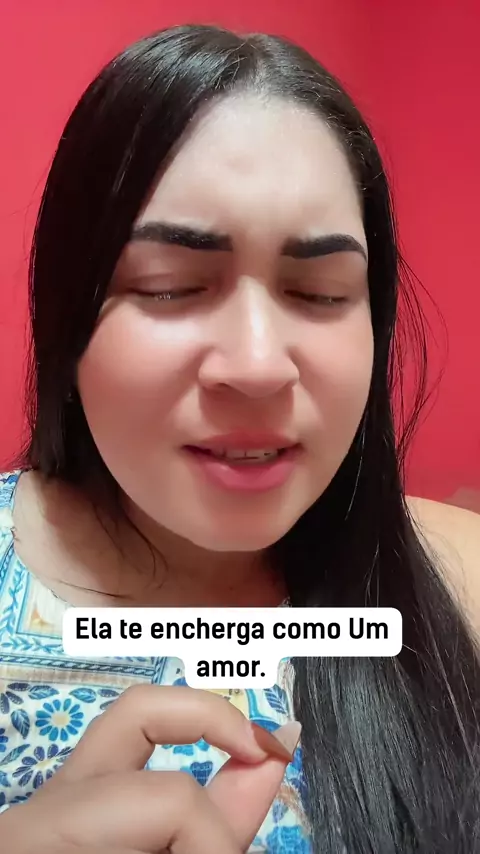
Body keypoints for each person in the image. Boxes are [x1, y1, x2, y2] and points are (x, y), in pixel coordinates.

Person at [1, 22, 479, 854]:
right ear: (69, 317)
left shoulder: (460, 581)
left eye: (321, 293)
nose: (258, 366)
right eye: (171, 286)